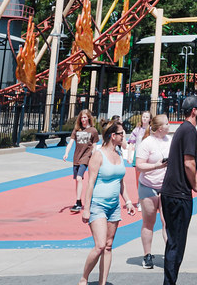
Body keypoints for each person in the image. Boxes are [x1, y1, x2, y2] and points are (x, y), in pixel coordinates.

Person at [77, 119, 135, 285]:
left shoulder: (118, 155)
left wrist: (129, 201)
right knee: (100, 245)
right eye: (121, 134)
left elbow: (121, 181)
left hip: (114, 206)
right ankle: (84, 278)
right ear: (112, 136)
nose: (124, 136)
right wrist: (86, 208)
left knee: (109, 246)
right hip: (98, 205)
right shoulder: (98, 155)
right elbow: (90, 183)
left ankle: (103, 282)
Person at [160, 94, 197, 285]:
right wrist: (195, 185)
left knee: (173, 243)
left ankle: (169, 281)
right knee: (177, 245)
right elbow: (188, 162)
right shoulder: (190, 131)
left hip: (170, 192)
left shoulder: (181, 129)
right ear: (194, 111)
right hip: (179, 194)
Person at [135, 112, 172, 270]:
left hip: (165, 186)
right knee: (149, 222)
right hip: (148, 185)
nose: (169, 126)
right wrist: (157, 165)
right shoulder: (147, 143)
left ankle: (170, 254)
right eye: (166, 124)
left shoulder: (170, 140)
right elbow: (139, 165)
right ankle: (147, 255)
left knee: (166, 222)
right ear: (158, 128)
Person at [63, 109, 99, 212]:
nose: (83, 119)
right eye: (81, 117)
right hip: (76, 157)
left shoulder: (93, 130)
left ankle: (79, 202)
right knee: (77, 180)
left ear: (88, 118)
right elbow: (70, 142)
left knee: (79, 178)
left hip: (86, 157)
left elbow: (95, 144)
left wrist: (93, 153)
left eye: (85, 117)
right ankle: (78, 201)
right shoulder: (76, 130)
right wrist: (66, 153)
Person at [127, 110, 152, 208]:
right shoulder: (137, 130)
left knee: (147, 178)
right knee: (138, 179)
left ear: (150, 119)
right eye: (143, 116)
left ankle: (147, 198)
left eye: (146, 117)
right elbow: (131, 143)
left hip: (148, 157)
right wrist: (129, 155)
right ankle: (140, 198)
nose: (144, 118)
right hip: (138, 156)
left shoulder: (151, 130)